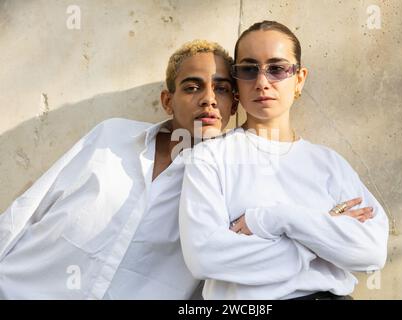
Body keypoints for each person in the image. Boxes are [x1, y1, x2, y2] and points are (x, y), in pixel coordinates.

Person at [0, 39, 237, 299]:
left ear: (234, 106)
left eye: (222, 89)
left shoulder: (227, 180)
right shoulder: (111, 135)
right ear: (168, 101)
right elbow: (28, 208)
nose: (209, 99)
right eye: (192, 87)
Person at [179, 21, 389, 300]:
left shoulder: (329, 163)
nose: (262, 82)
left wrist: (276, 219)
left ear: (299, 78)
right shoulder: (209, 158)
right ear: (237, 82)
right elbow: (205, 256)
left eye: (277, 69)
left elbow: (371, 251)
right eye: (249, 69)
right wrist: (319, 240)